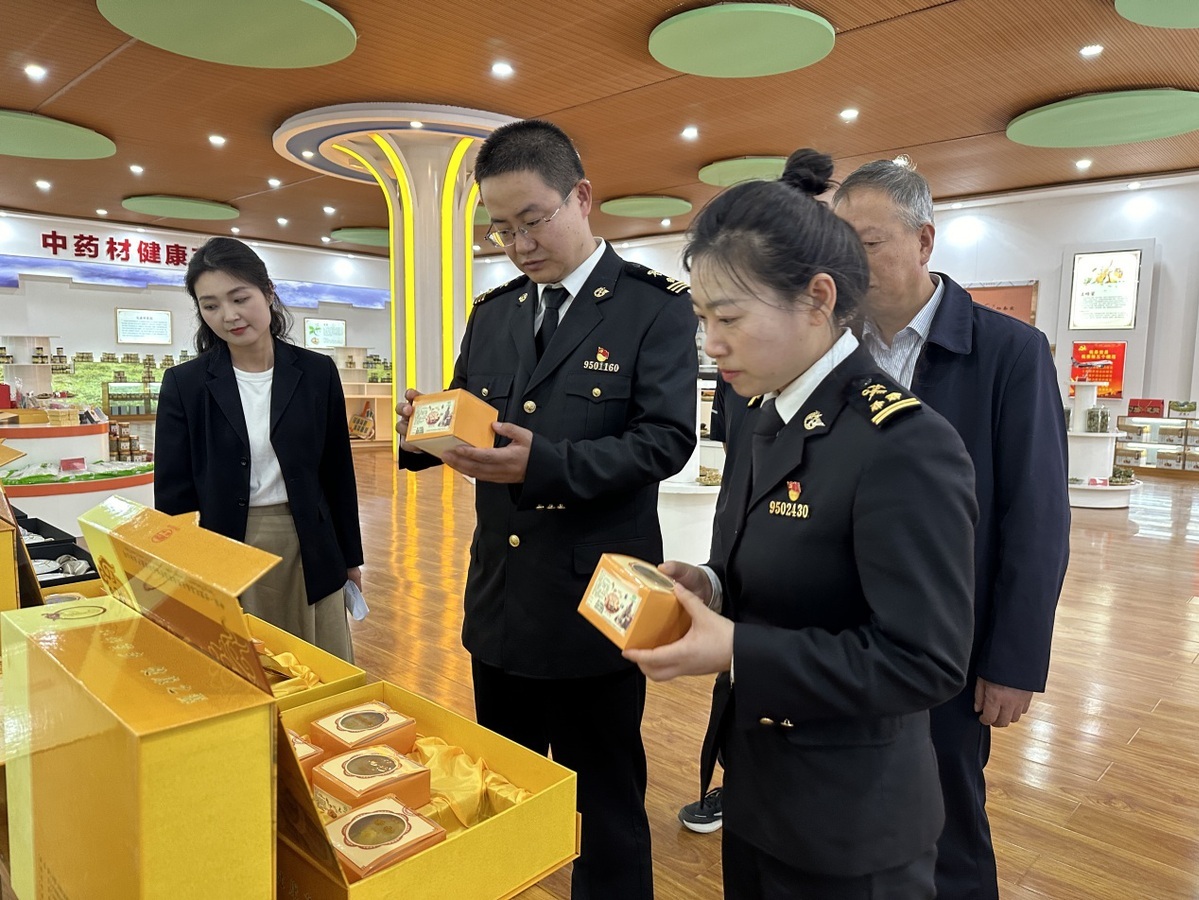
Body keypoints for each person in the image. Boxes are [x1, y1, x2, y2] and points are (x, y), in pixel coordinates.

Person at [627, 148, 978, 899]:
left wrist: (736, 648)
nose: (710, 343)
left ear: (818, 298)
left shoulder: (902, 443)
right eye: (702, 318)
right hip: (760, 784)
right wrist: (711, 583)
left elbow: (925, 661)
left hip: (850, 821)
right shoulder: (767, 410)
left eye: (729, 317)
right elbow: (784, 565)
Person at [395, 119, 697, 900]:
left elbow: (666, 441)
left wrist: (548, 463)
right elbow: (470, 414)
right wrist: (422, 429)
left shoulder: (652, 307)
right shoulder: (495, 311)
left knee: (606, 802)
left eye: (532, 220)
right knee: (504, 789)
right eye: (500, 228)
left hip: (602, 598)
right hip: (501, 598)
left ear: (581, 197)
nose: (518, 245)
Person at [833, 160, 1071, 900]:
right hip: (841, 639)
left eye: (868, 243)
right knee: (850, 818)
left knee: (947, 827)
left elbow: (1036, 516)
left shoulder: (1009, 353)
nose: (848, 263)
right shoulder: (832, 352)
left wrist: (1014, 659)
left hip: (950, 647)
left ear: (923, 240)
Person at [155, 237, 363, 662]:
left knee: (317, 665)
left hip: (308, 542)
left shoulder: (316, 372)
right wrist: (180, 569)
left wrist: (350, 558)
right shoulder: (186, 384)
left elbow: (337, 472)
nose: (229, 315)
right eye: (211, 305)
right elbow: (174, 492)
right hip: (225, 544)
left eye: (239, 298)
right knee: (247, 666)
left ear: (268, 292)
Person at [677, 375, 749, 834]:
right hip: (737, 553)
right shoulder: (741, 383)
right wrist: (713, 580)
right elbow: (736, 468)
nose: (715, 347)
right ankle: (736, 781)